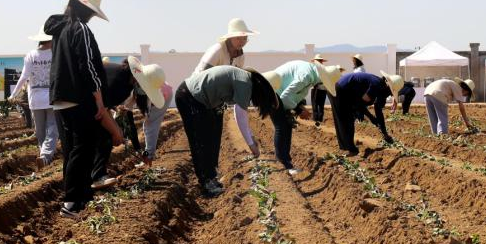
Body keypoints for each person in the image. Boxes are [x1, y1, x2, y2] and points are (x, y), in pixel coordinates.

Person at [44, 0, 124, 218]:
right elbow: (88, 67)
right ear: (87, 10)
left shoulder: (59, 30)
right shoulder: (81, 29)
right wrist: (99, 101)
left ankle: (79, 199)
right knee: (83, 151)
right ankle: (71, 202)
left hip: (60, 99)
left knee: (72, 151)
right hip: (79, 98)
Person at [175, 66, 280, 197]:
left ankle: (211, 178)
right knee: (200, 141)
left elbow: (242, 114)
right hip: (190, 97)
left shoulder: (246, 79)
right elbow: (240, 115)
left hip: (203, 100)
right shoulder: (245, 83)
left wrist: (252, 137)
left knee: (211, 139)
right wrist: (251, 144)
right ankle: (206, 184)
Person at [91, 57, 169, 186]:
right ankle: (97, 177)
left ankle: (91, 177)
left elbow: (105, 109)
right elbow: (101, 113)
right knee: (103, 136)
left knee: (103, 135)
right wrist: (116, 133)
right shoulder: (119, 84)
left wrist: (117, 130)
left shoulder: (123, 76)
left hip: (79, 101)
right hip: (76, 102)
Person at [263, 60, 341, 173]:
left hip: (276, 93)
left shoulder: (310, 72)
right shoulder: (306, 76)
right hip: (273, 94)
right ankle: (284, 165)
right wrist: (299, 110)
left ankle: (286, 162)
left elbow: (293, 92)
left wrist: (300, 106)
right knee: (282, 127)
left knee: (286, 126)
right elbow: (285, 97)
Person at [10, 30, 57, 166]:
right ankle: (45, 156)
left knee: (40, 130)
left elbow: (24, 77)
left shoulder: (31, 55)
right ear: (50, 40)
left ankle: (44, 157)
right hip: (52, 98)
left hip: (35, 99)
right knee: (53, 128)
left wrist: (13, 94)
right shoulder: (55, 54)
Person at [332, 71, 402, 155]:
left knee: (347, 119)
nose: (390, 95)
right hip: (342, 89)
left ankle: (347, 148)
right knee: (345, 119)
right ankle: (349, 149)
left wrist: (384, 133)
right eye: (391, 92)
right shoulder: (376, 85)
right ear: (388, 86)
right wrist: (371, 118)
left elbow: (378, 111)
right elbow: (360, 103)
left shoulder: (381, 87)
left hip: (348, 92)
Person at [309, 53, 329, 126]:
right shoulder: (324, 69)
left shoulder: (314, 68)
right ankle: (320, 120)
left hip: (316, 88)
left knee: (315, 105)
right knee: (321, 105)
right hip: (323, 89)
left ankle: (315, 120)